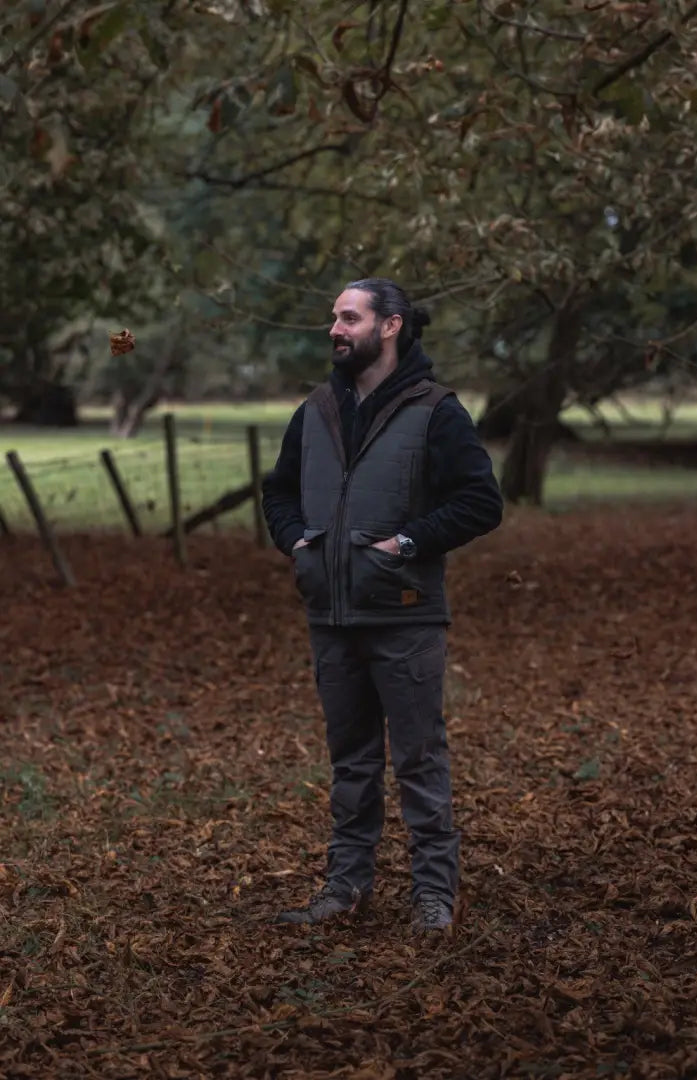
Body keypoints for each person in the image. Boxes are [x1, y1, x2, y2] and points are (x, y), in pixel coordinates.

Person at [262, 277, 503, 931]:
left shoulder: (435, 409)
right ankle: (344, 887)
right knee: (351, 762)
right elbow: (278, 491)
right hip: (331, 615)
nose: (335, 330)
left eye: (348, 317)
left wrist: (409, 541)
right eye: (333, 319)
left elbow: (482, 502)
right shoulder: (316, 409)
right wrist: (297, 544)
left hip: (405, 613)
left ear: (390, 326)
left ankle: (433, 895)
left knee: (419, 761)